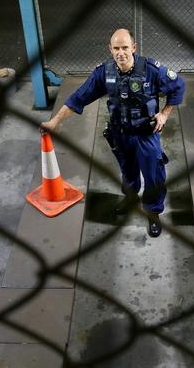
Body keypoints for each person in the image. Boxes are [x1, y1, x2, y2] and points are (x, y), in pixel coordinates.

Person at [40, 28, 185, 237]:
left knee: (154, 175)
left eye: (125, 47)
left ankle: (153, 214)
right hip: (121, 134)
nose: (121, 53)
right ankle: (131, 197)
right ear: (110, 49)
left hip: (147, 134)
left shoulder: (152, 70)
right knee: (128, 172)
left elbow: (178, 85)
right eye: (116, 48)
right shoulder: (104, 73)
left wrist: (164, 114)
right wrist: (54, 122)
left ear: (134, 48)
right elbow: (78, 98)